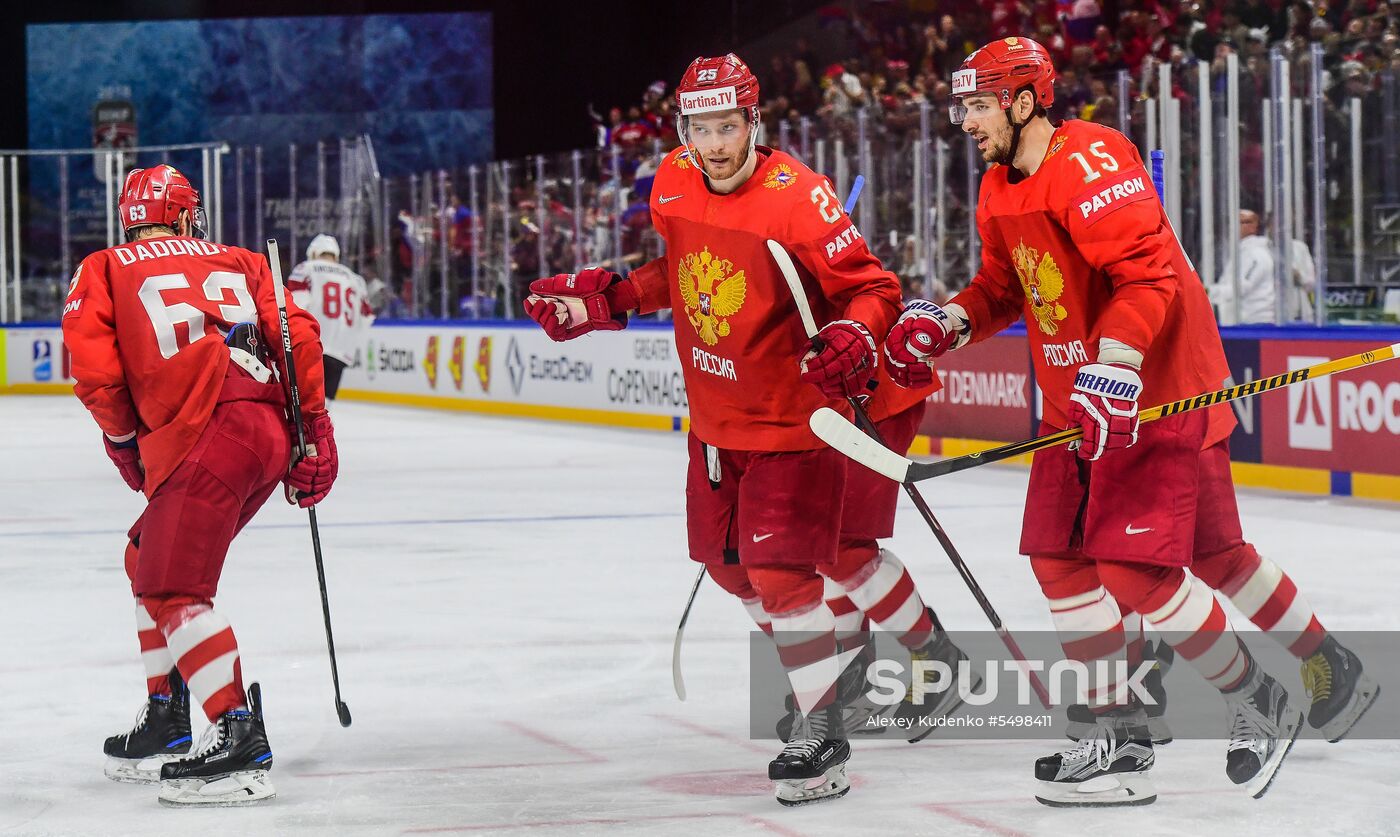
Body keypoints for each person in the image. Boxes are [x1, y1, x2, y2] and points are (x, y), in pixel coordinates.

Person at [881, 37, 1376, 807]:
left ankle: (1258, 696)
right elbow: (1004, 288)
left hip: (1153, 392)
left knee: (1136, 569)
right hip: (1076, 407)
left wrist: (1115, 364)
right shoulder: (997, 186)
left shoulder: (1093, 158)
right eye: (963, 107)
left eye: (978, 105)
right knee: (1081, 558)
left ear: (1023, 102)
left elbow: (1147, 275)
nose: (967, 121)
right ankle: (1135, 722)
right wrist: (949, 322)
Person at [522, 53, 969, 807]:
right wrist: (612, 299)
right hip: (720, 421)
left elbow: (873, 288)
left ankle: (835, 719)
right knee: (732, 567)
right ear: (682, 130)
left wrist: (856, 332)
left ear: (753, 122)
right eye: (700, 128)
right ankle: (846, 668)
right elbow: (686, 268)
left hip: (806, 415)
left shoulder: (800, 198)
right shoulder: (672, 180)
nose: (715, 144)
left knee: (798, 565)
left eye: (728, 126)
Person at [62, 165, 338, 806]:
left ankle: (237, 736)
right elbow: (298, 336)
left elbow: (96, 373)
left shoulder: (104, 267)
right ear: (187, 215)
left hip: (207, 433)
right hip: (264, 432)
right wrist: (313, 430)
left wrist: (125, 440)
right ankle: (167, 715)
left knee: (173, 588)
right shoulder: (243, 260)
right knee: (144, 556)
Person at [288, 233, 375, 399]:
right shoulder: (355, 279)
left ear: (314, 253)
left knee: (303, 400)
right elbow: (367, 318)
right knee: (325, 403)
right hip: (342, 349)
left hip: (312, 344)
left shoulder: (305, 269)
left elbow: (296, 306)